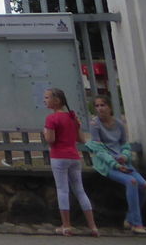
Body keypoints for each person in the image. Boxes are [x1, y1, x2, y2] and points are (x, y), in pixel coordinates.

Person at [86, 95, 146, 234]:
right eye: (97, 106)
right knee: (131, 182)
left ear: (110, 107)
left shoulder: (118, 123)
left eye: (103, 105)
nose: (100, 108)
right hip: (107, 163)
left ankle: (130, 218)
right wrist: (114, 163)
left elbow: (124, 144)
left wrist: (125, 156)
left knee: (143, 185)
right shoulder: (95, 125)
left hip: (123, 161)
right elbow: (99, 149)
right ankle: (137, 224)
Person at [44, 86, 99, 237]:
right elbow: (81, 139)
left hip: (59, 156)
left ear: (56, 101)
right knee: (80, 190)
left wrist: (45, 132)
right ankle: (93, 226)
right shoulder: (71, 117)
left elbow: (51, 139)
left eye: (47, 97)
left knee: (62, 190)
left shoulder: (52, 118)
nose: (45, 101)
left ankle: (67, 225)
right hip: (74, 156)